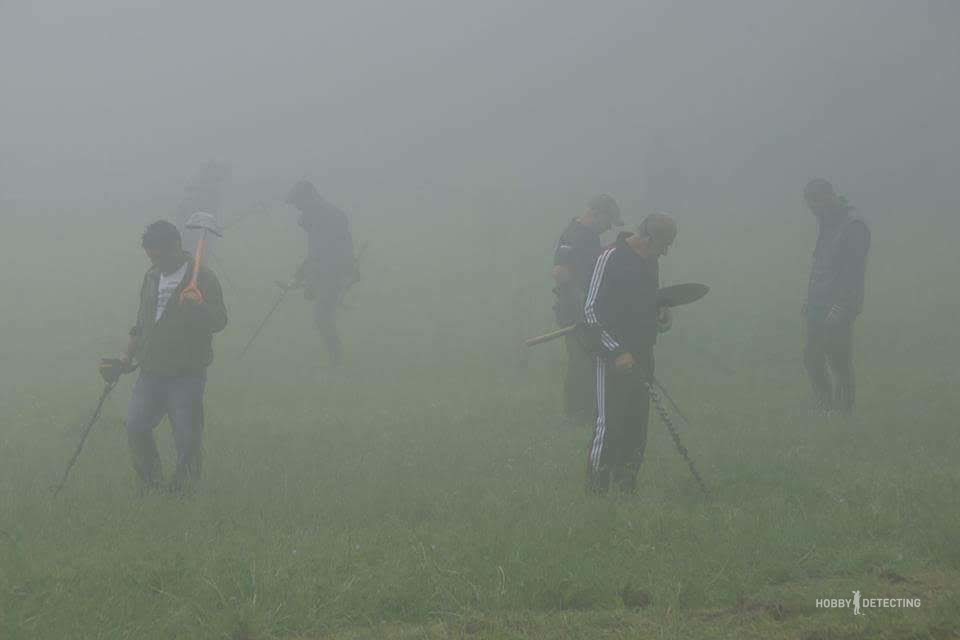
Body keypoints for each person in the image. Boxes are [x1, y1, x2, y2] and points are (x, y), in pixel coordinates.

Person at [99, 220, 227, 493]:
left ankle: (184, 491)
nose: (156, 261)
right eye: (151, 256)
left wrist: (199, 306)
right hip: (151, 370)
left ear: (176, 247)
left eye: (160, 255)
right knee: (135, 426)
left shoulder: (203, 277)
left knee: (187, 437)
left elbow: (219, 320)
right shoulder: (151, 276)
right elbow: (141, 323)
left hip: (187, 372)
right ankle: (151, 483)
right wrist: (124, 358)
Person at [582, 213, 676, 494]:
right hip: (612, 356)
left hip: (644, 353)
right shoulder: (609, 257)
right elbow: (590, 311)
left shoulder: (651, 259)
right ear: (647, 237)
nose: (666, 252)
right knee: (609, 423)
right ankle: (596, 487)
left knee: (637, 421)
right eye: (664, 244)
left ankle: (626, 484)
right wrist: (616, 352)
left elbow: (649, 299)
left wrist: (661, 312)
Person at [551, 194, 623, 426]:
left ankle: (589, 410)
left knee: (591, 360)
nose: (608, 227)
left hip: (588, 308)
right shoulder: (575, 235)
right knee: (579, 361)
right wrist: (579, 302)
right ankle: (574, 414)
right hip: (576, 310)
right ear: (596, 213)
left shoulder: (589, 237)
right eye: (608, 222)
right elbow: (560, 272)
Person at [802, 179, 870, 415]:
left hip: (840, 305)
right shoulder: (827, 221)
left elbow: (853, 273)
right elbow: (821, 265)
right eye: (810, 205)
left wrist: (841, 307)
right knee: (811, 357)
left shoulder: (853, 225)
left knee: (838, 359)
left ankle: (843, 413)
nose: (813, 210)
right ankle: (824, 406)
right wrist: (809, 301)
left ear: (829, 197)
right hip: (818, 303)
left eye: (816, 204)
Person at [286, 180, 355, 365]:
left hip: (332, 271)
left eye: (298, 203)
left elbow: (324, 252)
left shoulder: (325, 217)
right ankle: (336, 357)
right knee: (322, 316)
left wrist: (305, 276)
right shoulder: (319, 215)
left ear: (307, 198)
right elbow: (315, 252)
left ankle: (337, 360)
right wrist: (304, 276)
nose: (298, 209)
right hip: (326, 270)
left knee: (322, 317)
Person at [175, 160, 231, 256]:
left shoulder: (213, 195)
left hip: (202, 238)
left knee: (199, 262)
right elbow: (184, 216)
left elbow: (213, 216)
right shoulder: (196, 192)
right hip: (190, 237)